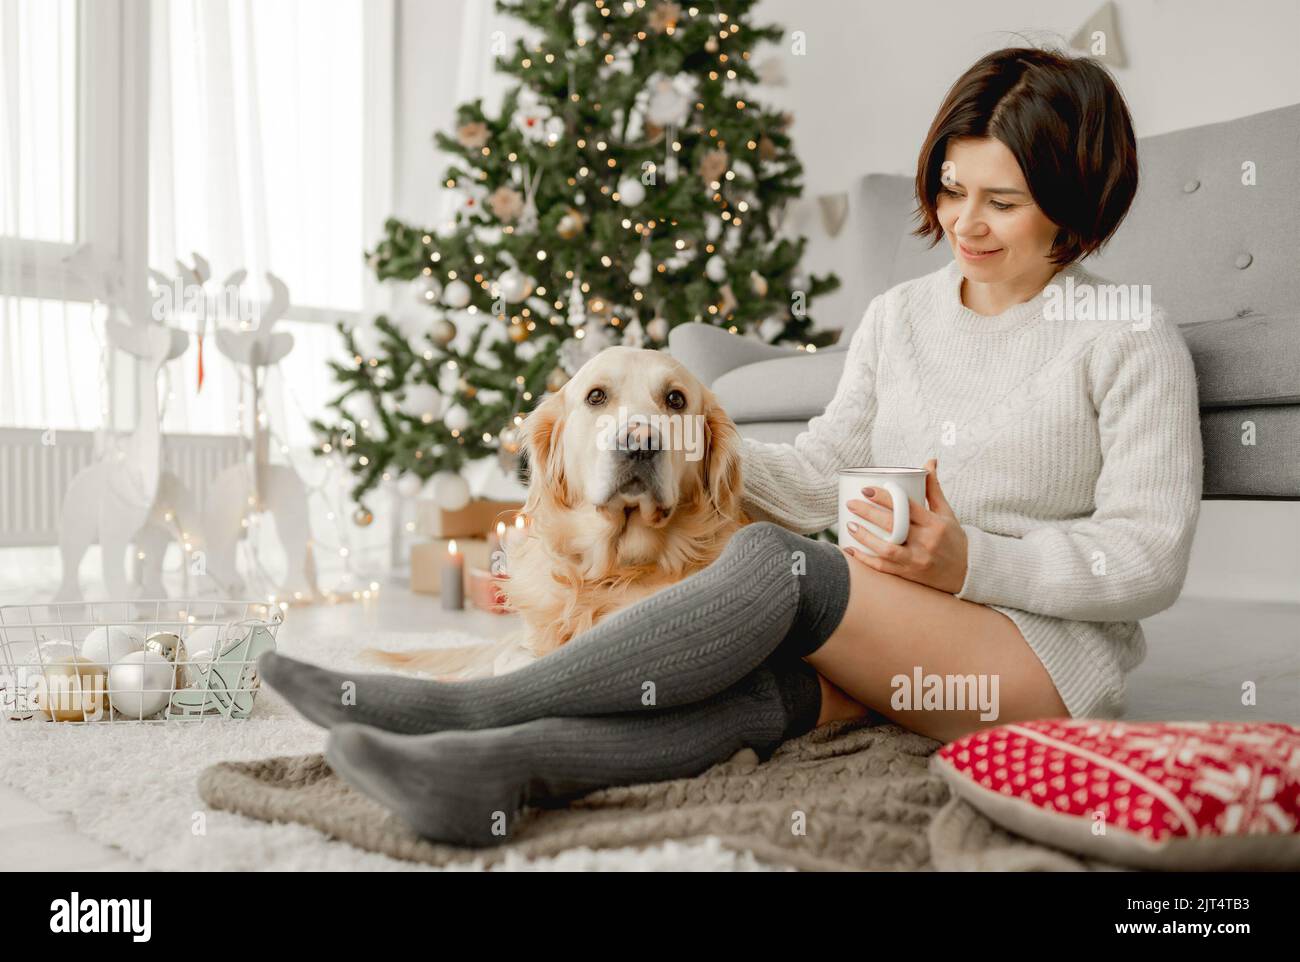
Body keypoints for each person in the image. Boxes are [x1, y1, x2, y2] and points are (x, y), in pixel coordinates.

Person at [259, 46, 1202, 847]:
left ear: (1077, 204)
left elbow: (1148, 559)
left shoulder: (1126, 336)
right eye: (952, 187)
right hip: (893, 633)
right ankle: (499, 773)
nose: (964, 222)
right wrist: (689, 444)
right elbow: (828, 471)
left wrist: (969, 560)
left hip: (1039, 665)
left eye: (1004, 201)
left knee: (776, 568)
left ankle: (469, 709)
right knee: (748, 694)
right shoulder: (900, 317)